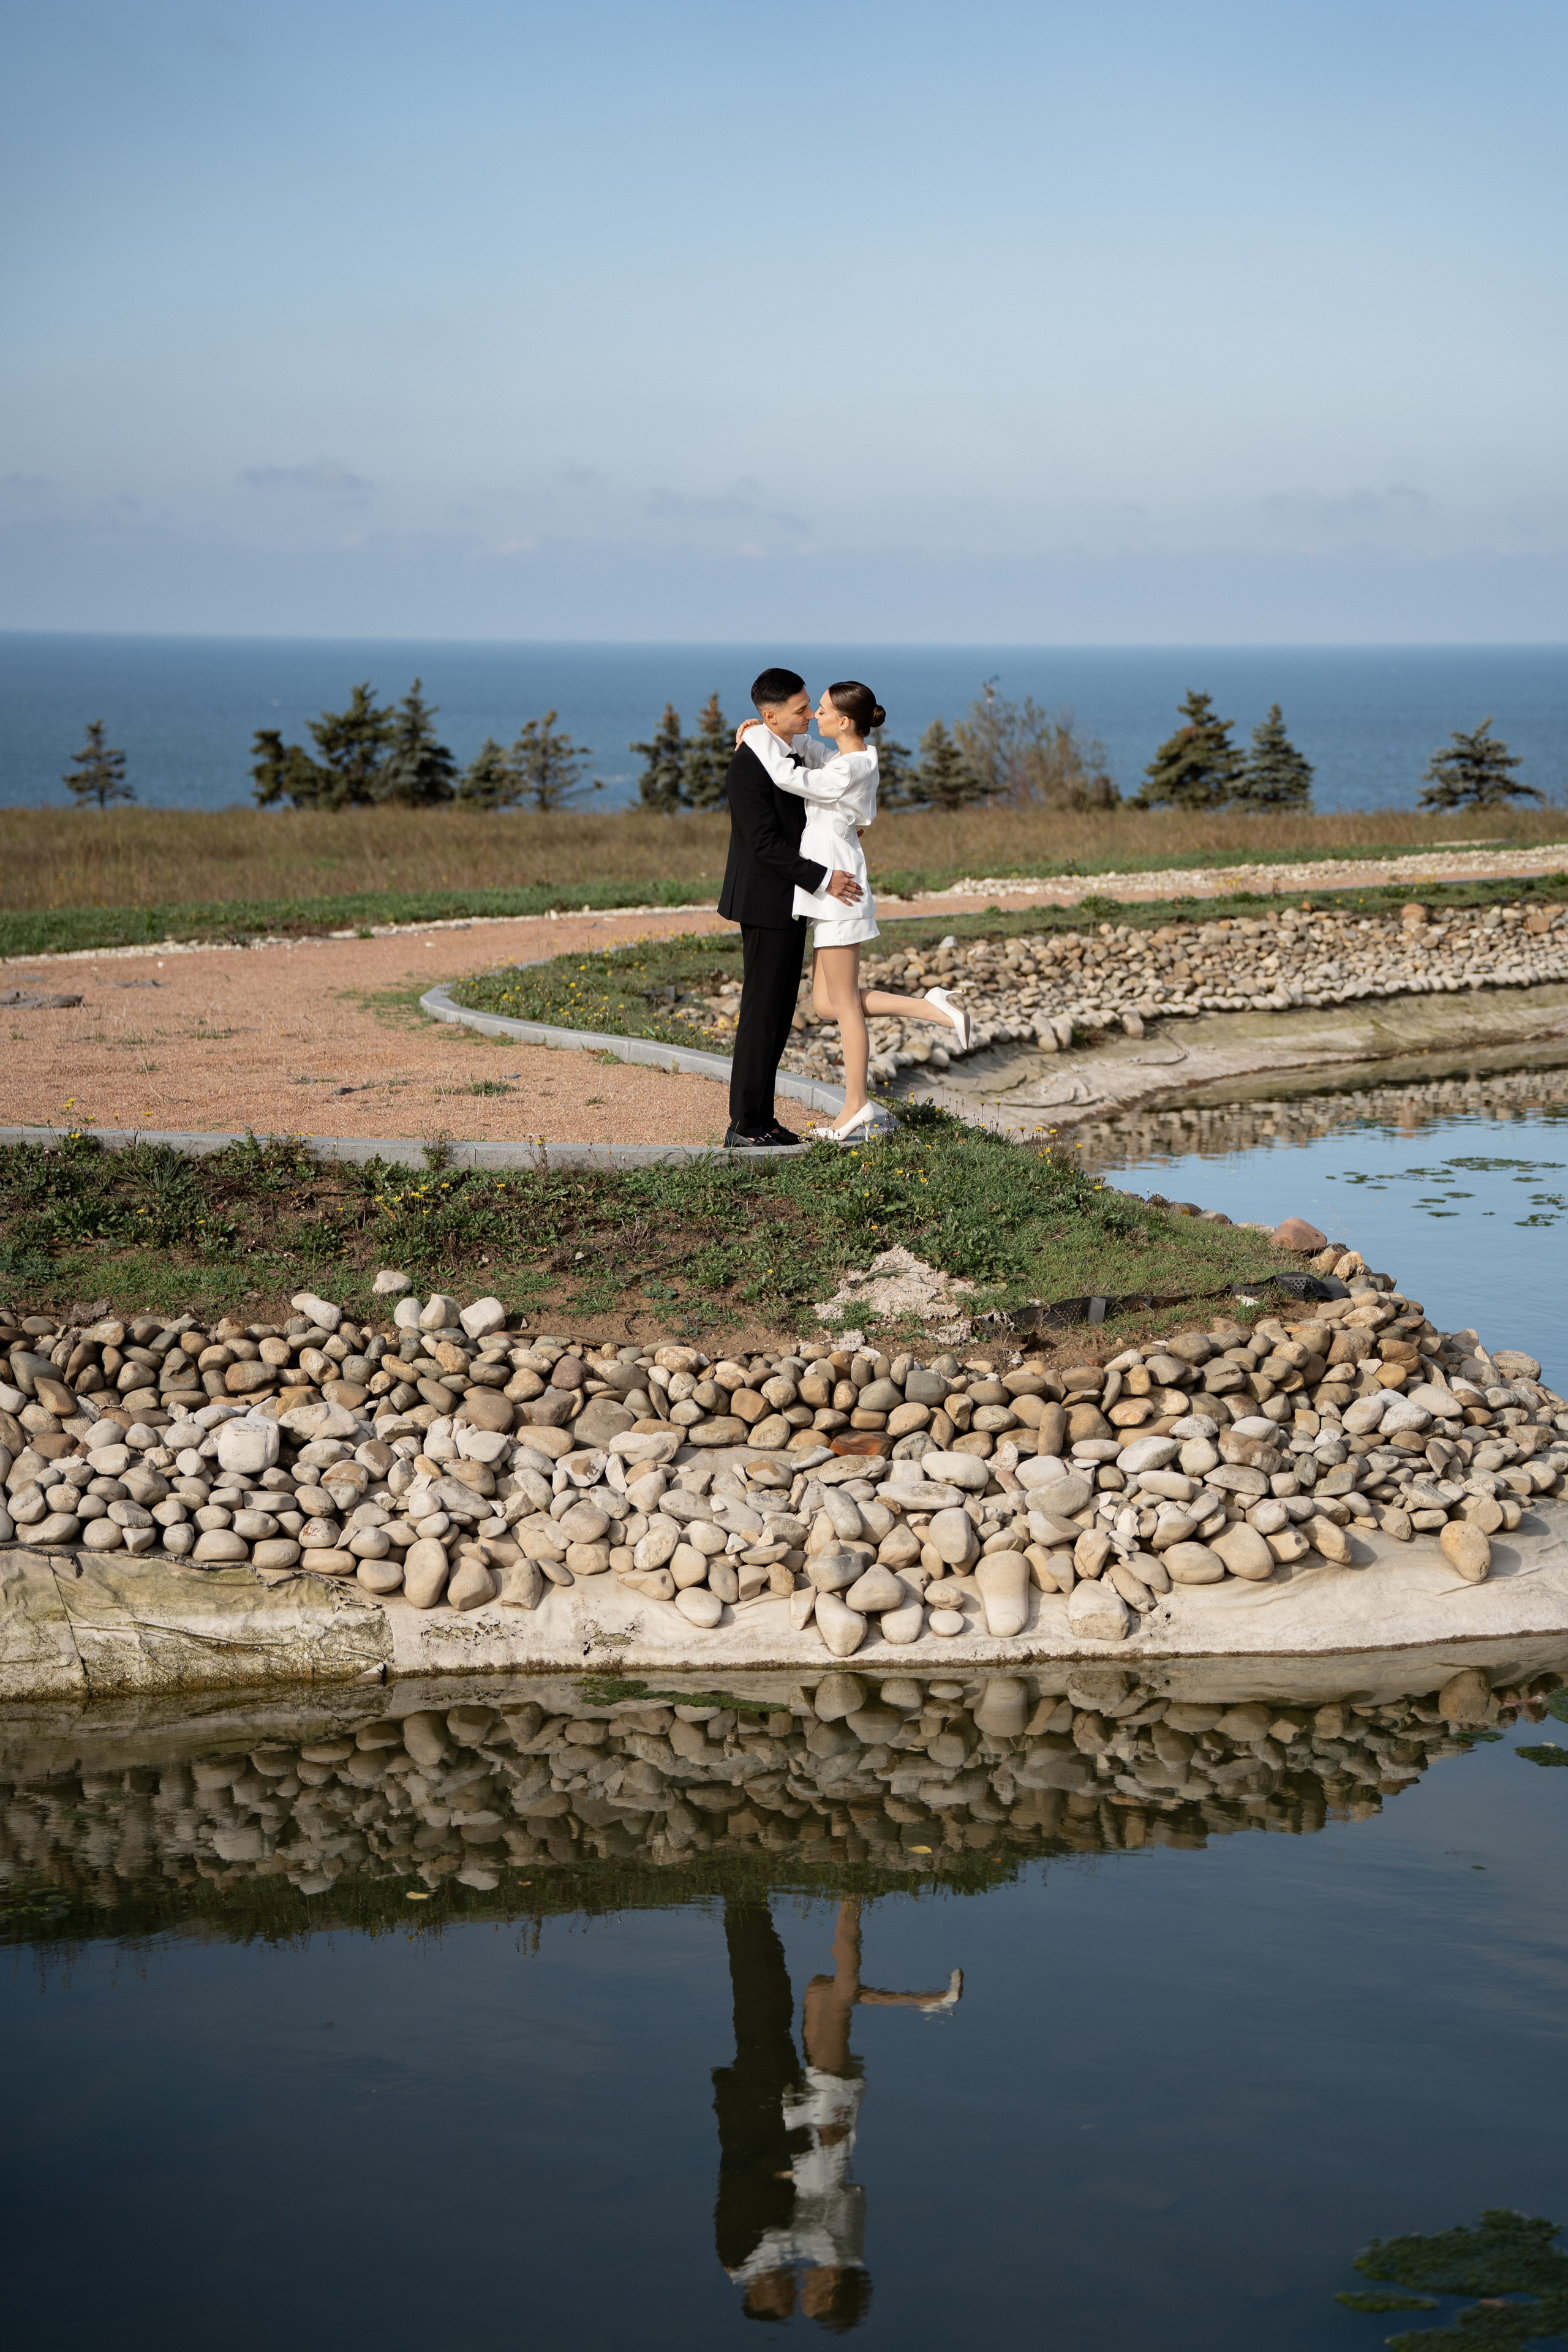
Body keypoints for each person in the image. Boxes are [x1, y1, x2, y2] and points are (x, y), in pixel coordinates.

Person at [712, 1894, 963, 2329]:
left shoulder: (830, 2253)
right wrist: (744, 2270)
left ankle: (923, 1999)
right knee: (838, 1994)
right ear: (829, 2290)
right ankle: (852, 1901)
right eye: (808, 2296)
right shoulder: (834, 2251)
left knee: (821, 1991)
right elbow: (786, 2235)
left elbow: (784, 2237)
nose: (800, 2289)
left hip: (815, 2125)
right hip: (827, 2123)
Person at [742, 681, 973, 1144]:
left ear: (844, 722)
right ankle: (931, 1007)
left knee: (843, 1004)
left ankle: (855, 1105)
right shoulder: (850, 758)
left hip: (839, 888)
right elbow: (807, 750)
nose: (813, 717)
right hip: (832, 887)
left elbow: (791, 778)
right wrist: (766, 729)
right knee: (827, 1003)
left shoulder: (847, 770)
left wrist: (756, 740)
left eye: (821, 710)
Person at [718, 667, 864, 1151]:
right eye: (801, 710)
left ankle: (764, 1118)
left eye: (809, 707)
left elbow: (817, 800)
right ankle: (744, 1124)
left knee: (780, 1014)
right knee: (762, 1012)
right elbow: (762, 844)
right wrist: (825, 878)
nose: (808, 715)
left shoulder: (789, 747)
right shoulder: (748, 764)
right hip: (765, 900)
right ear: (770, 716)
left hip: (791, 898)